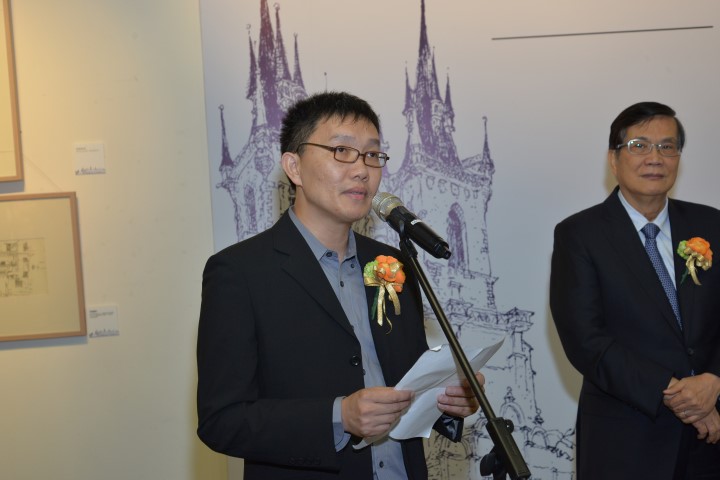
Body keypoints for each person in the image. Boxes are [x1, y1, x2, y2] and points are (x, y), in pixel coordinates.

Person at [197, 91, 483, 479]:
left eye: (372, 155)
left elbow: (408, 386)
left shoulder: (393, 263)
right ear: (294, 167)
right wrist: (339, 416)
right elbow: (222, 420)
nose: (362, 170)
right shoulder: (239, 272)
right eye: (342, 151)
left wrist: (448, 401)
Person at [550, 101, 720, 479]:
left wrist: (714, 380)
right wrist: (678, 395)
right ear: (614, 159)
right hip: (627, 438)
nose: (654, 158)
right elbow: (586, 341)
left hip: (711, 433)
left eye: (667, 146)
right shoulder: (580, 235)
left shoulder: (711, 224)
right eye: (639, 146)